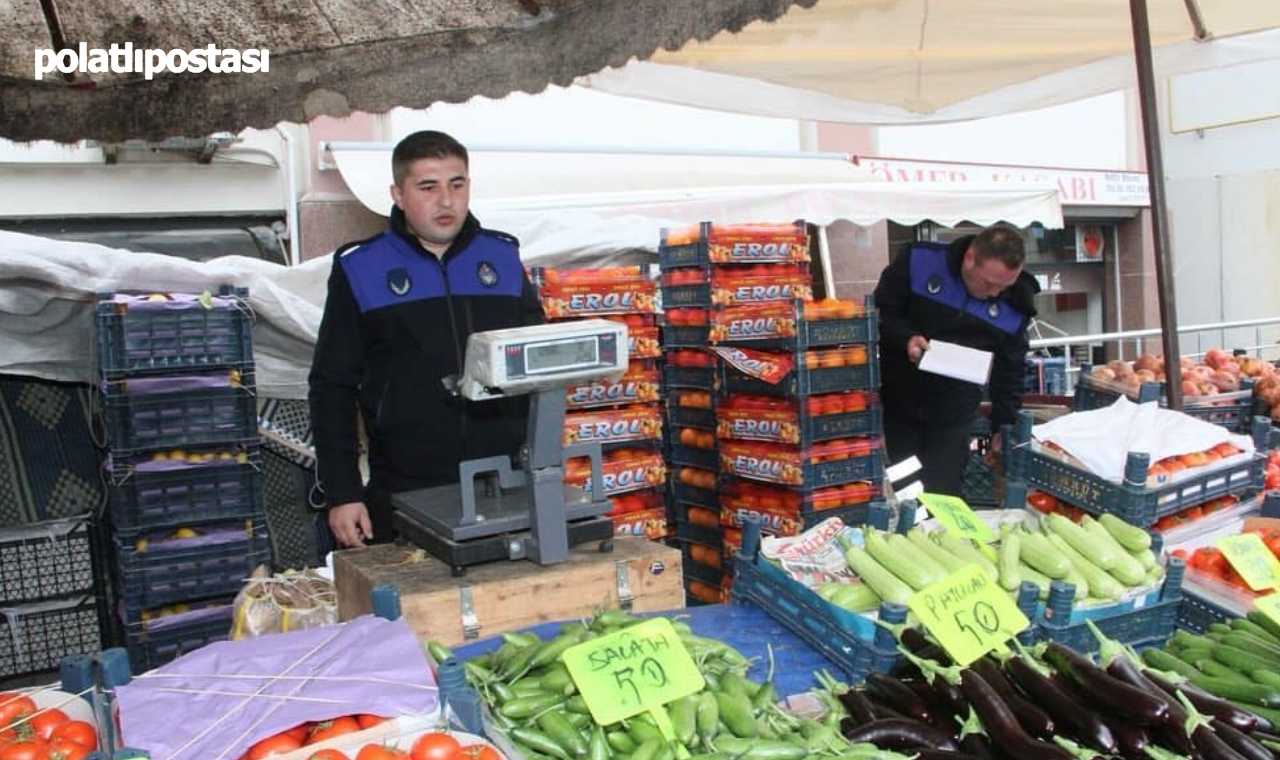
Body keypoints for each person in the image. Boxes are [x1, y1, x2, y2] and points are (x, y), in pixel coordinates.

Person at [309, 131, 544, 548]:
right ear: (398, 194)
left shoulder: (502, 259)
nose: (446, 201)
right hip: (405, 487)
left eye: (457, 184)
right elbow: (332, 386)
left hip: (504, 481)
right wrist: (342, 492)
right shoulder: (361, 268)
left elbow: (538, 367)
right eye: (428, 187)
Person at [873, 226, 1040, 497]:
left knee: (942, 494)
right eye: (988, 283)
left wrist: (1002, 427)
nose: (995, 293)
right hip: (900, 405)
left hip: (955, 414)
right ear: (970, 258)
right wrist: (906, 338)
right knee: (906, 491)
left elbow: (1010, 373)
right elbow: (883, 314)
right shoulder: (918, 262)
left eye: (1004, 286)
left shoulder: (1015, 303)